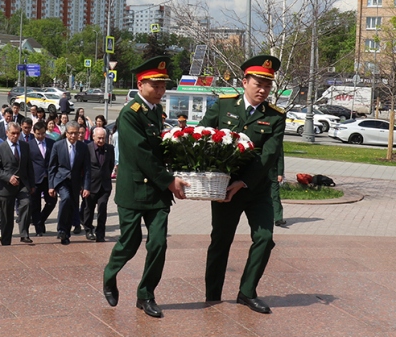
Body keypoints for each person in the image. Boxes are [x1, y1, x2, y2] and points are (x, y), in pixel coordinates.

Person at [198, 55, 286, 315]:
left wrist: (244, 181)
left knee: (265, 238)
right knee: (220, 241)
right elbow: (202, 136)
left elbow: (268, 156)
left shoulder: (275, 117)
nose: (263, 90)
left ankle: (247, 292)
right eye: (258, 83)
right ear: (244, 81)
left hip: (256, 189)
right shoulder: (224, 107)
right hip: (224, 189)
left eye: (268, 86)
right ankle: (212, 294)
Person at [103, 56, 189, 319]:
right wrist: (169, 180)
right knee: (130, 242)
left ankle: (146, 294)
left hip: (157, 193)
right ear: (141, 85)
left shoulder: (155, 113)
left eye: (163, 86)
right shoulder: (131, 114)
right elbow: (141, 154)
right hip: (134, 190)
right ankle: (109, 274)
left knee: (159, 244)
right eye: (155, 86)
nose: (160, 91)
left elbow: (159, 151)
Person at [47, 120, 91, 245]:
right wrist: (51, 186)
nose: (73, 136)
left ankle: (66, 233)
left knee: (72, 206)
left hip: (75, 182)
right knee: (65, 199)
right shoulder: (58, 145)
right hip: (61, 179)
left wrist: (86, 186)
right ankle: (61, 228)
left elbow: (87, 169)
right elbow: (52, 167)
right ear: (66, 133)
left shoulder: (83, 147)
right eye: (71, 133)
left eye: (75, 133)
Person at [0, 122, 35, 245]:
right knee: (6, 214)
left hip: (22, 185)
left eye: (17, 133)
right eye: (13, 133)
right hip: (6, 186)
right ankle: (6, 239)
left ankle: (24, 234)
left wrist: (32, 185)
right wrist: (8, 177)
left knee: (26, 204)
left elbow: (29, 166)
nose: (15, 136)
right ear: (7, 133)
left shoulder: (24, 146)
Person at [83, 127, 115, 242]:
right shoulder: (87, 148)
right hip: (91, 185)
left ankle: (100, 233)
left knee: (102, 208)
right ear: (93, 137)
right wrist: (84, 186)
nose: (101, 140)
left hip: (104, 186)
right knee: (89, 209)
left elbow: (110, 165)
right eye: (99, 138)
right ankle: (88, 229)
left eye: (103, 138)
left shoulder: (110, 148)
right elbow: (84, 168)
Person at [28, 121, 56, 235]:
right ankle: (39, 230)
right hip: (35, 180)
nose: (41, 136)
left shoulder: (52, 143)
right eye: (38, 134)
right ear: (34, 133)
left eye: (43, 133)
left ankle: (41, 220)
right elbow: (28, 165)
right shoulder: (29, 145)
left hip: (49, 178)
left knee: (52, 202)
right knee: (35, 205)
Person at [273, 147, 286, 227]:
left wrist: (280, 173)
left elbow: (280, 157)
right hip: (260, 173)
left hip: (273, 174)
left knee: (275, 195)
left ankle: (278, 218)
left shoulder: (276, 140)